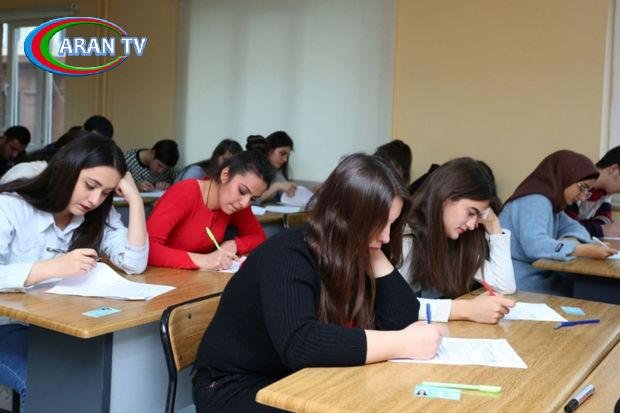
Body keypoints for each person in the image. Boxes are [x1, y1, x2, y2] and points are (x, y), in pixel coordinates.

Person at [192, 154, 444, 412]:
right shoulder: (287, 253)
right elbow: (301, 343)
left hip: (296, 376)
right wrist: (401, 343)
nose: (387, 236)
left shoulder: (354, 250)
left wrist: (375, 252)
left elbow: (403, 321)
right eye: (379, 224)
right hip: (235, 386)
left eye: (391, 223)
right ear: (348, 217)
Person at [0, 135, 148, 411]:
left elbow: (134, 262)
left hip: (54, 328)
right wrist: (52, 268)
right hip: (7, 327)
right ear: (67, 169)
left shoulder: (95, 215)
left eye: (106, 192)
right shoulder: (12, 206)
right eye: (90, 186)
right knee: (48, 384)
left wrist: (135, 200)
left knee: (91, 377)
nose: (95, 200)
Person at [403, 157, 516, 324]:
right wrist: (466, 309)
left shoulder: (457, 238)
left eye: (478, 216)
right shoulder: (406, 236)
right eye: (470, 213)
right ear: (446, 197)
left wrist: (494, 226)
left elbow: (504, 287)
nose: (472, 225)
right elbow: (394, 306)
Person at [499, 150, 616, 295]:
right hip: (518, 278)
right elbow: (535, 245)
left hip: (537, 272)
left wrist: (571, 239)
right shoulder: (535, 200)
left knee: (588, 287)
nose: (582, 197)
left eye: (587, 191)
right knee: (589, 290)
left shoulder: (553, 204)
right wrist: (581, 249)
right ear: (565, 177)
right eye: (583, 187)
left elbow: (574, 227)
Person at [147, 150, 274, 270]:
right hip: (159, 277)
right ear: (225, 175)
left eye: (253, 198)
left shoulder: (237, 204)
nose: (245, 203)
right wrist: (204, 260)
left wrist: (234, 245)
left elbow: (258, 236)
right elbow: (147, 249)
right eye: (242, 191)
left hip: (195, 278)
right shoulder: (185, 193)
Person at [0, 127, 90, 184]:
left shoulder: (23, 157)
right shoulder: (30, 171)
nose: (15, 155)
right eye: (12, 148)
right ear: (3, 139)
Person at [565, 146, 620, 237]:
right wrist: (601, 230)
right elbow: (565, 227)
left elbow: (604, 219)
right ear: (613, 169)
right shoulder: (577, 184)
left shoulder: (605, 192)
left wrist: (599, 229)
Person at [175, 139, 242, 182]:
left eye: (233, 162)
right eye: (225, 160)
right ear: (216, 157)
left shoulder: (224, 178)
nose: (228, 165)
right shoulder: (196, 172)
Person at [259, 131, 297, 202]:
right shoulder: (251, 169)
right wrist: (276, 187)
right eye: (282, 153)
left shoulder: (277, 172)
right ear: (269, 150)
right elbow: (250, 201)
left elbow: (287, 193)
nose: (285, 159)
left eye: (287, 156)